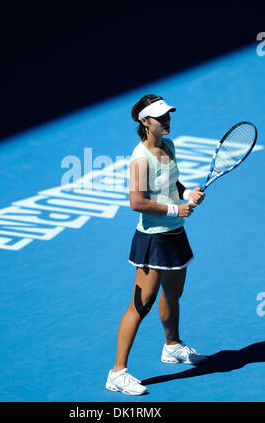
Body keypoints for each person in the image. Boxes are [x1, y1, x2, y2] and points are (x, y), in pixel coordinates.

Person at [105, 94, 207, 396]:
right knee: (141, 304)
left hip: (175, 234)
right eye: (160, 117)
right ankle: (117, 373)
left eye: (168, 115)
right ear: (144, 121)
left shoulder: (168, 146)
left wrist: (187, 192)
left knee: (174, 293)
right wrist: (176, 209)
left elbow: (173, 182)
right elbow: (136, 202)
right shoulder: (140, 158)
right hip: (153, 239)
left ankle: (172, 346)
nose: (167, 120)